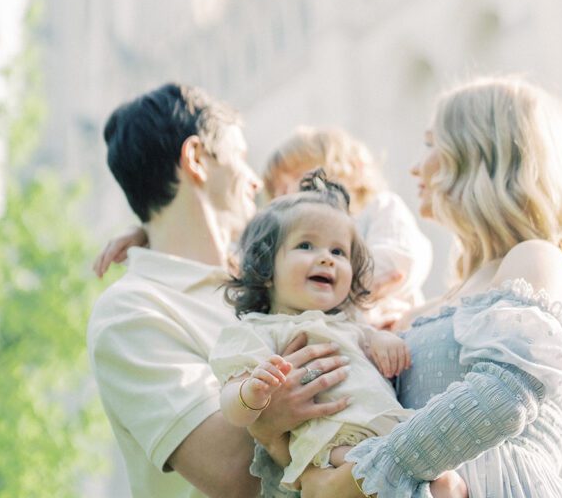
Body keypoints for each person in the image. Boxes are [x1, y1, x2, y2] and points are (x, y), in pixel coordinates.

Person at [287, 75, 562, 498]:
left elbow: (505, 393)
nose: (415, 166)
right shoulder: (422, 309)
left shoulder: (537, 259)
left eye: (430, 145)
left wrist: (361, 476)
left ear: (477, 151)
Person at [87, 83, 352, 498]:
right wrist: (270, 408)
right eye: (240, 158)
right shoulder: (132, 311)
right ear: (195, 159)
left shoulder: (268, 276)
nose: (253, 180)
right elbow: (232, 473)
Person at [214, 169, 465, 497]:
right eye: (306, 245)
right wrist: (250, 393)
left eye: (338, 252)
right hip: (332, 448)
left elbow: (372, 340)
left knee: (448, 483)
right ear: (265, 269)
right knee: (385, 477)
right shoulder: (258, 332)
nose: (326, 259)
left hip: (390, 434)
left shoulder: (351, 326)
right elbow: (231, 404)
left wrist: (384, 341)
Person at [263, 127, 433, 327]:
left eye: (296, 180)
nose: (285, 197)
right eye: (278, 192)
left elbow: (396, 263)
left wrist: (330, 290)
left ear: (344, 169)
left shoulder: (379, 208)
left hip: (391, 337)